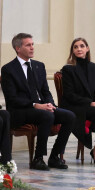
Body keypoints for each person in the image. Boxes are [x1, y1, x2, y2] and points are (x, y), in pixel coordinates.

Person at [1, 33, 76, 170]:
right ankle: (38, 158)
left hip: (41, 107)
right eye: (28, 45)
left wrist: (50, 104)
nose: (32, 48)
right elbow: (12, 98)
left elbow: (45, 91)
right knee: (46, 115)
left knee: (69, 116)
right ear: (18, 48)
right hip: (20, 111)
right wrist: (36, 105)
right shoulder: (8, 69)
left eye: (32, 44)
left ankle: (54, 157)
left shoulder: (39, 66)